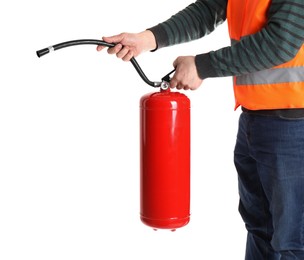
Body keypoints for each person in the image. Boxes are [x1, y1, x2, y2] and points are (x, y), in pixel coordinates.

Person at [97, 0, 304, 259]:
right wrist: (148, 39)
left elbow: (281, 42)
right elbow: (210, 9)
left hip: (294, 126)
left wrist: (202, 66)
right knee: (261, 229)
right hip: (256, 120)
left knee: (293, 241)